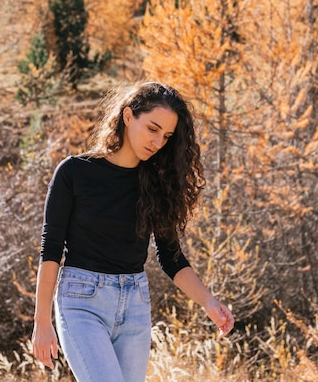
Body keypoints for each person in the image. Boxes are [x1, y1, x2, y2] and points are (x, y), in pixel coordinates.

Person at [31, 81, 235, 382]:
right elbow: (50, 250)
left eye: (166, 136)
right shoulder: (74, 172)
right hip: (82, 303)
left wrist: (209, 302)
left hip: (135, 305)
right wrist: (41, 322)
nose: (158, 142)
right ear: (128, 116)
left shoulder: (157, 183)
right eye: (152, 129)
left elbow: (171, 258)